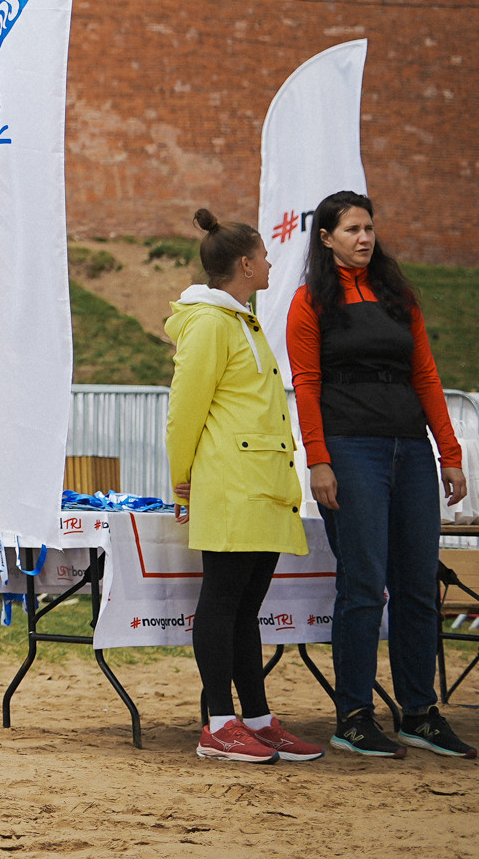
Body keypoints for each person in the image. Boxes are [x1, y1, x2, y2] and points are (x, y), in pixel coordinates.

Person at [288, 190, 473, 759]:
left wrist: (450, 451)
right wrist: (319, 459)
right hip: (350, 452)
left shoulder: (398, 296)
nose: (364, 238)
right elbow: (306, 385)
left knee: (418, 587)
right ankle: (354, 716)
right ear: (326, 238)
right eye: (351, 230)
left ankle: (419, 713)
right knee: (364, 586)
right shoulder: (308, 301)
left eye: (368, 228)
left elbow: (425, 373)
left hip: (411, 452)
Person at [164, 209, 327, 764]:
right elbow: (185, 409)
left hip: (259, 483)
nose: (270, 263)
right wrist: (181, 478)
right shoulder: (211, 323)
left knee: (245, 606)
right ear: (244, 263)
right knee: (223, 601)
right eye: (262, 256)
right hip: (230, 484)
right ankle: (218, 722)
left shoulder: (241, 320)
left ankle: (254, 717)